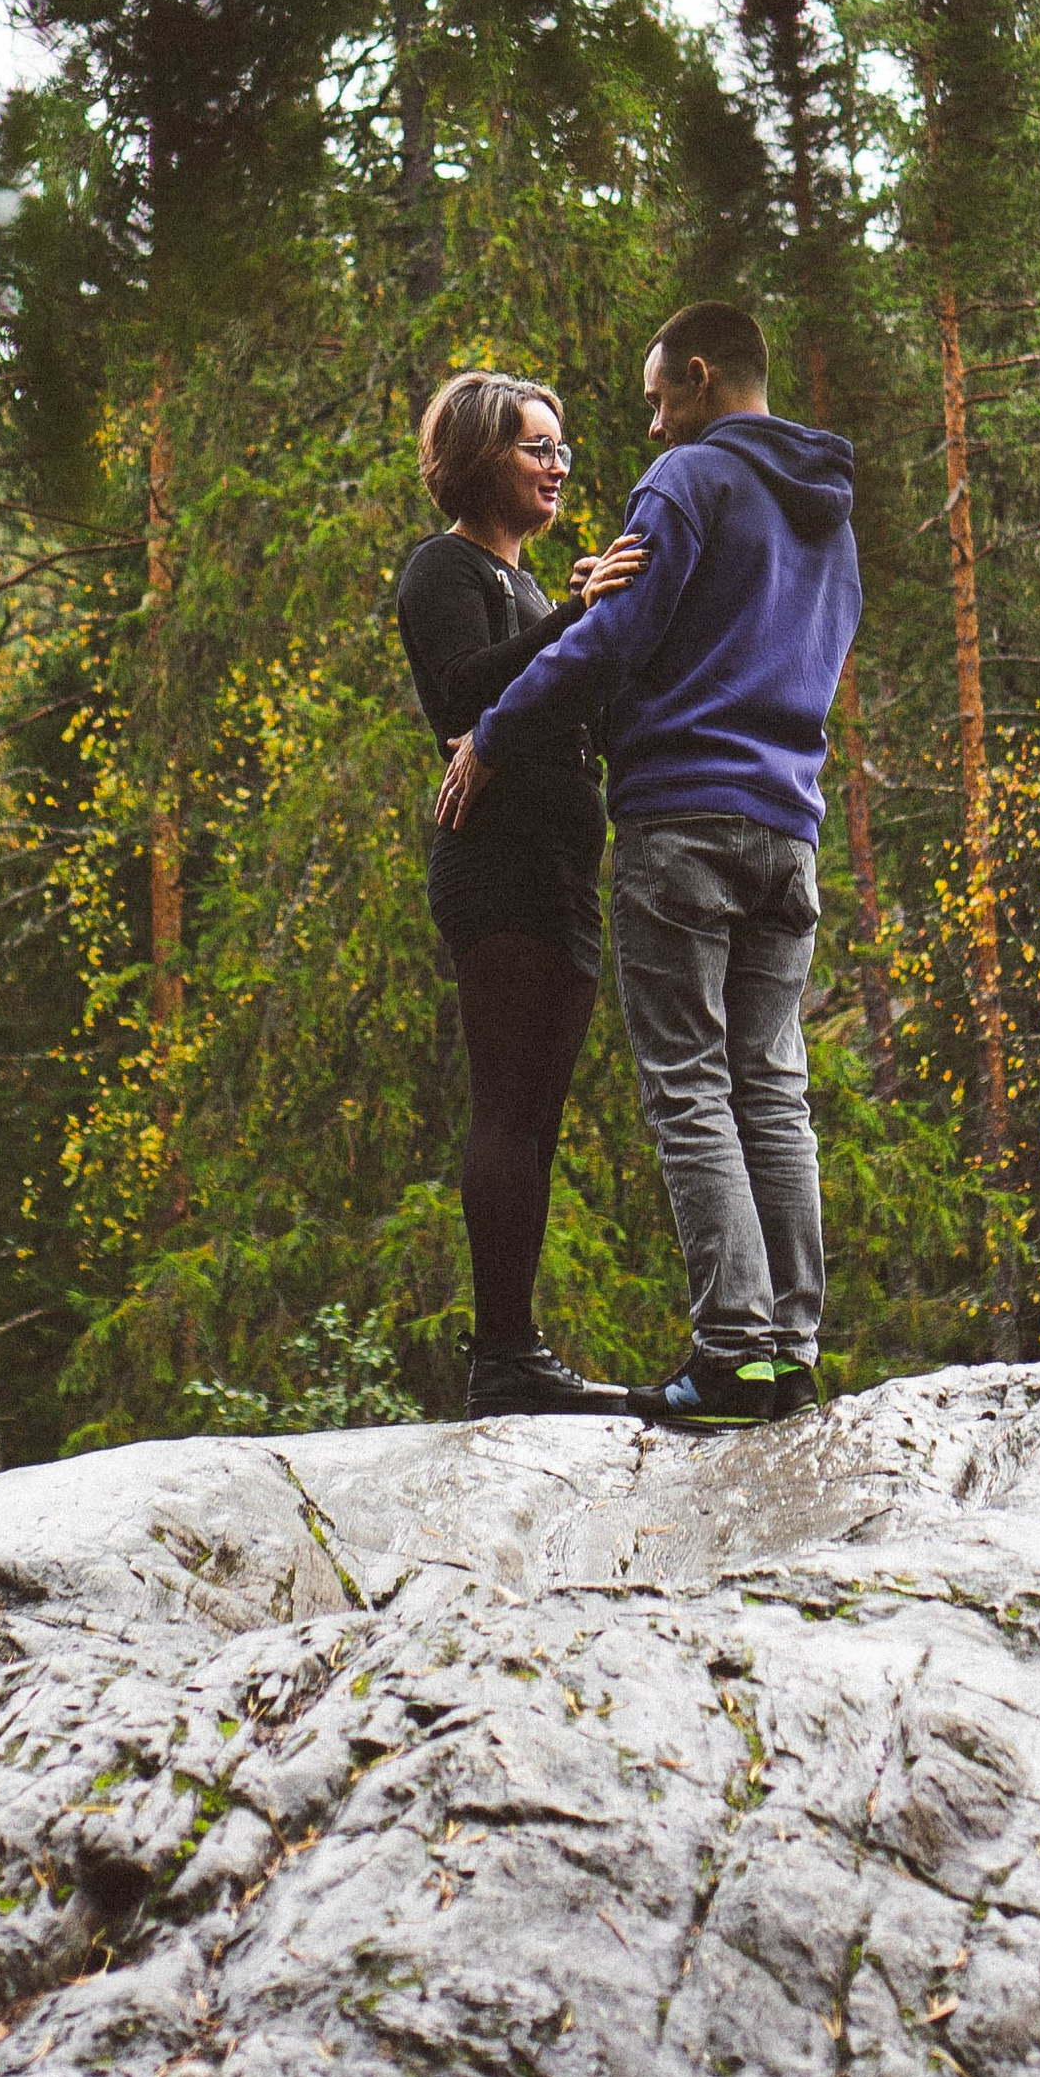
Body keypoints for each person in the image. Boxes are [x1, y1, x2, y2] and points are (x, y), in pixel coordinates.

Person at [436, 302, 860, 1434]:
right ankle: (790, 1351)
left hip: (683, 824)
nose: (653, 425)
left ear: (701, 374)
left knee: (688, 1084)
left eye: (656, 398)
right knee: (773, 1086)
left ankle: (730, 1355)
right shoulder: (827, 515)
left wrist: (494, 734)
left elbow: (617, 642)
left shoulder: (688, 483)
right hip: (790, 827)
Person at [396, 370, 653, 1418]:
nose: (554, 466)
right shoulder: (439, 568)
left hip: (560, 877)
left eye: (560, 450)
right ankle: (502, 1354)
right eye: (531, 447)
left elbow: (561, 703)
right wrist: (574, 621)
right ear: (474, 457)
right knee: (504, 1108)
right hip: (493, 869)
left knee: (536, 1118)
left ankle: (518, 1352)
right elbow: (464, 691)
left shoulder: (540, 591)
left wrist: (592, 624)